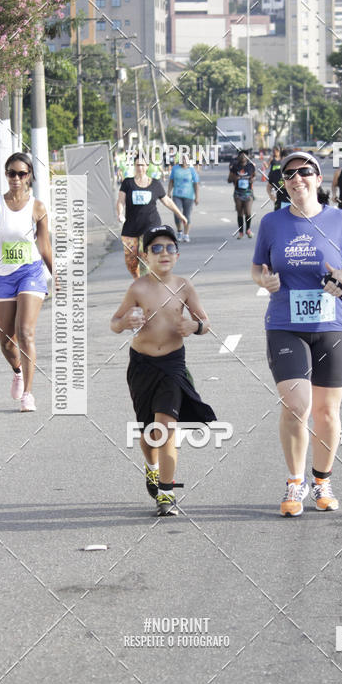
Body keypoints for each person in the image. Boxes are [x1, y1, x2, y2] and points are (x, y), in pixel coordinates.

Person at [252, 151, 342, 516]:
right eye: (289, 173)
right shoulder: (272, 223)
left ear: (319, 179)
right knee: (296, 404)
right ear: (284, 183)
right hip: (285, 324)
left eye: (305, 172)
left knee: (326, 412)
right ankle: (294, 482)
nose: (296, 178)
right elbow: (257, 269)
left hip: (333, 326)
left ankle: (322, 481)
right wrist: (266, 279)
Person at [110, 225, 216, 516]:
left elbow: (206, 323)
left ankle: (166, 493)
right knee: (149, 434)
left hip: (172, 364)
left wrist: (194, 326)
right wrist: (126, 322)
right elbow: (115, 322)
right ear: (146, 256)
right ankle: (152, 467)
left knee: (166, 428)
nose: (164, 253)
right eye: (156, 248)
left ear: (178, 255)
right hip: (142, 366)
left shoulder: (184, 286)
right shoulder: (138, 288)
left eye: (170, 247)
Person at [0, 152, 53, 412]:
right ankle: (17, 371)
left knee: (25, 333)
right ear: (6, 174)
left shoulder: (38, 207)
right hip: (4, 275)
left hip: (30, 273)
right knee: (6, 341)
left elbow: (44, 244)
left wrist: (56, 273)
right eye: (11, 173)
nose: (16, 178)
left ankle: (29, 395)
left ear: (29, 176)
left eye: (22, 174)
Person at [117, 156, 186, 278]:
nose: (140, 168)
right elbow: (121, 201)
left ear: (147, 166)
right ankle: (139, 280)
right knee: (131, 263)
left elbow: (167, 201)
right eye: (138, 165)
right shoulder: (127, 183)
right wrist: (120, 213)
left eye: (143, 165)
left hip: (150, 226)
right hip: (130, 228)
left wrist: (180, 215)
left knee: (145, 258)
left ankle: (146, 285)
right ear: (134, 166)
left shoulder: (155, 184)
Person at [167, 154, 199, 243]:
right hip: (177, 195)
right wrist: (169, 192)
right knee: (177, 214)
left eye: (186, 159)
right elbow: (171, 181)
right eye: (183, 159)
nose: (184, 160)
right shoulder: (175, 169)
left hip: (189, 196)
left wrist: (197, 197)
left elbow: (196, 184)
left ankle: (186, 234)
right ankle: (179, 231)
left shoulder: (192, 170)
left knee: (187, 215)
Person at [228, 150, 256, 238]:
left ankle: (248, 229)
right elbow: (229, 180)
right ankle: (240, 232)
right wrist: (234, 178)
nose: (243, 157)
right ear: (238, 157)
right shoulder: (235, 167)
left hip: (248, 193)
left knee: (248, 212)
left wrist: (252, 180)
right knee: (240, 213)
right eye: (241, 155)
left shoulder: (251, 166)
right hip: (238, 193)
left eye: (245, 155)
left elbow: (254, 176)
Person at [266, 146, 291, 210]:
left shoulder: (297, 173)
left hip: (294, 204)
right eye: (284, 160)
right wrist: (271, 195)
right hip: (280, 203)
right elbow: (269, 186)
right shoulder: (275, 173)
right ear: (281, 159)